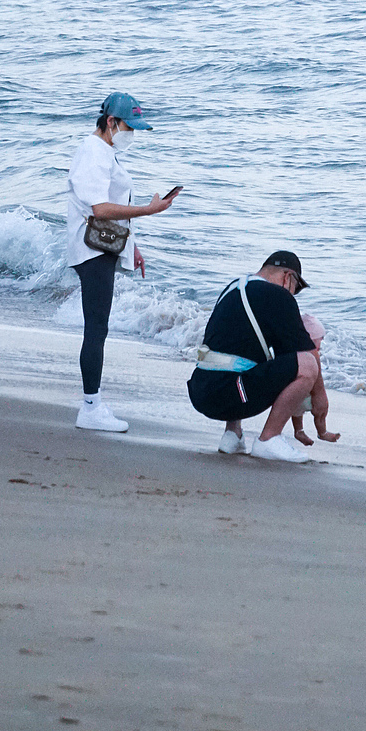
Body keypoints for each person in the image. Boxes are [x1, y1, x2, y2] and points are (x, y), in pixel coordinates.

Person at [67, 92, 178, 433]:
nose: (132, 134)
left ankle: (93, 403)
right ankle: (90, 408)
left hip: (103, 246)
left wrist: (132, 246)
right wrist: (148, 209)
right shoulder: (93, 152)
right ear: (111, 122)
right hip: (91, 251)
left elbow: (107, 208)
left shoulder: (106, 153)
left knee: (98, 326)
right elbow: (100, 209)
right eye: (129, 127)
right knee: (96, 328)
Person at [187, 251, 323, 462]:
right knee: (307, 365)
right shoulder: (279, 296)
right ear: (288, 277)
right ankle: (269, 439)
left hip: (200, 391)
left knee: (242, 353)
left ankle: (233, 435)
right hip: (229, 394)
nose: (293, 296)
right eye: (295, 289)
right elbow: (306, 356)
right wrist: (320, 396)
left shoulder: (234, 288)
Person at [290, 310, 339, 447]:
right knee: (318, 412)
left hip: (301, 392)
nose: (321, 343)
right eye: (319, 339)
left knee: (299, 412)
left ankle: (307, 431)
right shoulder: (309, 353)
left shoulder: (294, 350)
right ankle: (317, 432)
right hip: (305, 392)